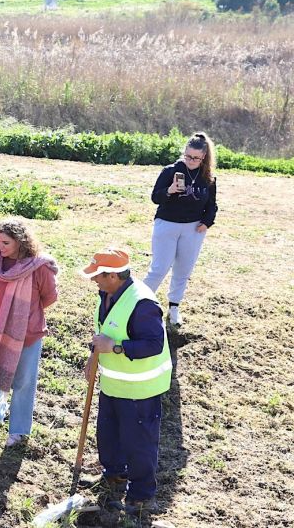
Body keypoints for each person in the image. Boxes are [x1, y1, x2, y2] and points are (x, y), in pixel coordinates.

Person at [81, 248, 172, 518]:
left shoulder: (143, 303)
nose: (93, 280)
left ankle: (142, 496)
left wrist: (116, 348)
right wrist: (93, 356)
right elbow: (106, 332)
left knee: (139, 444)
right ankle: (115, 476)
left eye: (97, 275)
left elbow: (153, 344)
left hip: (140, 390)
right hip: (113, 385)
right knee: (108, 435)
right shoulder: (107, 294)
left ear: (112, 275)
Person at [0, 219, 59, 447]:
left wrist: (23, 316)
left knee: (23, 381)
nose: (0, 246)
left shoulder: (39, 268)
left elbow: (49, 297)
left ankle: (19, 430)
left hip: (28, 334)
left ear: (20, 242)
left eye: (5, 242)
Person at [142, 133, 218, 326]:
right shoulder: (170, 171)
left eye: (195, 158)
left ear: (204, 157)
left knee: (183, 271)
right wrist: (169, 190)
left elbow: (212, 205)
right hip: (167, 224)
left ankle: (174, 307)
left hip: (193, 229)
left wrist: (207, 221)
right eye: (187, 156)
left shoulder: (207, 177)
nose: (190, 161)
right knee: (159, 269)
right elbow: (155, 197)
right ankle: (138, 304)